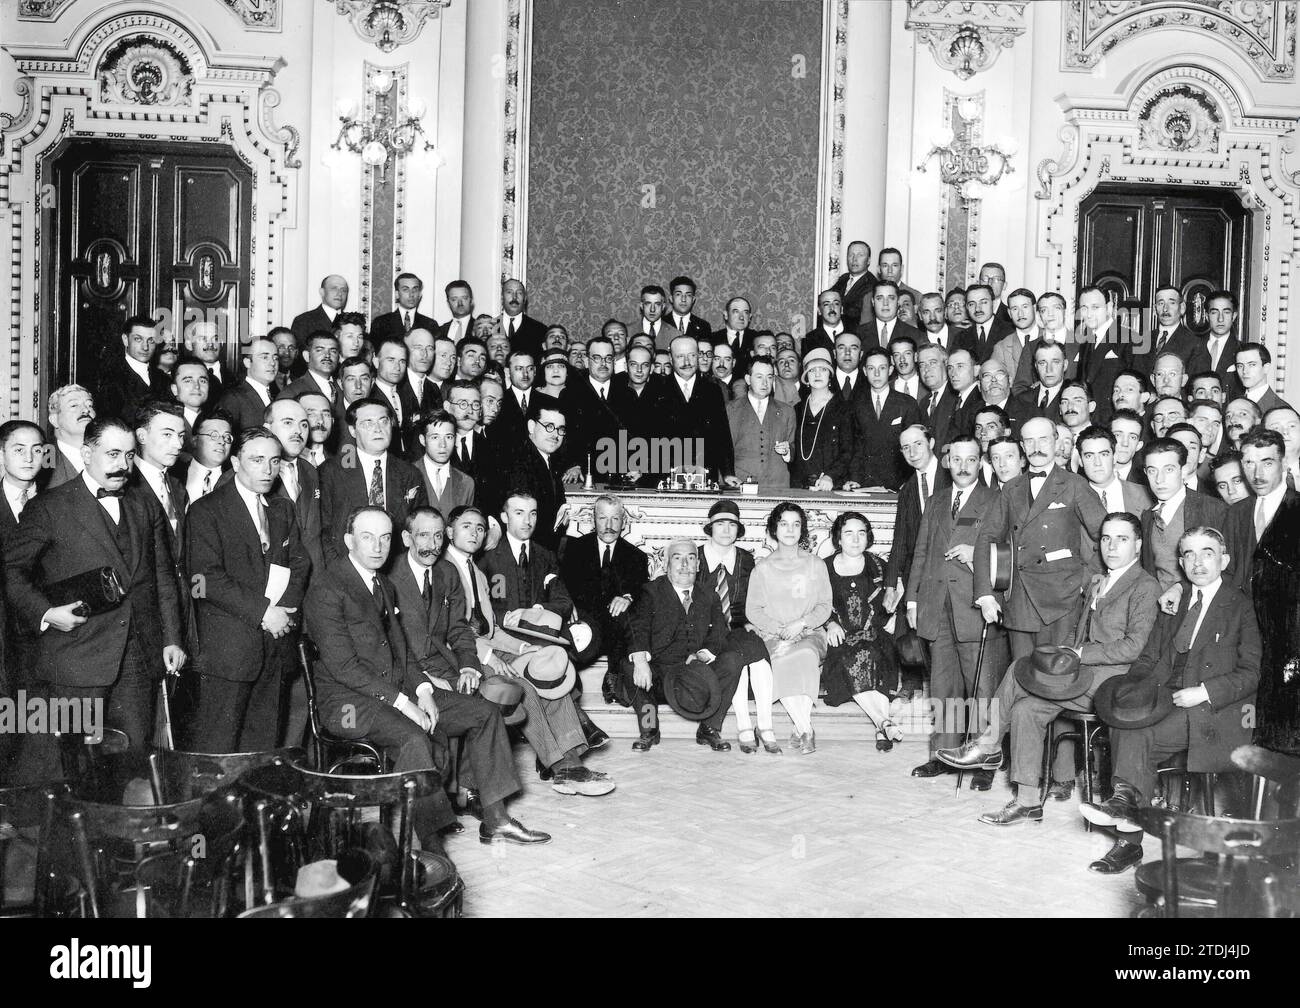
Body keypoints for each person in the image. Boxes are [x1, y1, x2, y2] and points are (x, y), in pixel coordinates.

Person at [306, 505, 549, 846]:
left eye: (384, 538)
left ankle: (496, 818)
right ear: (349, 541)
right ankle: (434, 851)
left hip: (393, 691)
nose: (377, 546)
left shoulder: (382, 586)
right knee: (415, 739)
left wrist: (421, 690)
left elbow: (400, 653)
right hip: (348, 703)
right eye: (367, 537)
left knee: (485, 713)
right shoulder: (328, 589)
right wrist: (406, 703)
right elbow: (345, 668)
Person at [941, 512, 1161, 824]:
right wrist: (1065, 652)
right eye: (1106, 539)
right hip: (1081, 676)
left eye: (1122, 539)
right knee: (1026, 709)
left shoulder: (1145, 586)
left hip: (1113, 684)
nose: (1111, 546)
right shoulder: (1099, 580)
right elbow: (1077, 631)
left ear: (1137, 545)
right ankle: (1028, 801)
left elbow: (1133, 646)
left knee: (1020, 667)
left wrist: (1079, 653)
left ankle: (988, 743)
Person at [1082, 527, 1260, 874]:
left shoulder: (1240, 606)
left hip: (1212, 707)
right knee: (1126, 719)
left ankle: (1126, 830)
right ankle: (1126, 809)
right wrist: (1129, 690)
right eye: (1189, 555)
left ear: (1223, 560)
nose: (1197, 562)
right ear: (1180, 562)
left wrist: (1204, 692)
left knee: (1140, 734)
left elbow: (1252, 672)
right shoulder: (1174, 602)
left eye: (1207, 553)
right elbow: (1148, 658)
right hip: (1167, 695)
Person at [4, 417, 185, 754]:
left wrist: (172, 638)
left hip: (137, 659)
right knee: (74, 765)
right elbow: (11, 572)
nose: (122, 465)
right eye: (113, 454)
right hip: (75, 657)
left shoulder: (144, 505)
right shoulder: (48, 507)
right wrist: (46, 613)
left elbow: (162, 576)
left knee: (132, 762)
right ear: (87, 454)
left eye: (130, 456)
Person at [442, 504, 611, 792]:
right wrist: (491, 657)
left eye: (480, 528)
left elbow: (490, 628)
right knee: (525, 686)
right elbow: (451, 632)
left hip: (486, 645)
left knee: (545, 669)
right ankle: (561, 765)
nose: (474, 533)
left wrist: (522, 648)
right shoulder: (443, 571)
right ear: (449, 531)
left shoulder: (477, 573)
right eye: (466, 526)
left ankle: (571, 758)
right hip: (462, 656)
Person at [185, 427, 309, 752]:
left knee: (262, 750)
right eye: (257, 460)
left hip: (274, 645)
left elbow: (300, 564)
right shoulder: (206, 511)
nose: (268, 470)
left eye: (274, 461)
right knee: (218, 750)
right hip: (228, 652)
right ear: (236, 461)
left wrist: (282, 612)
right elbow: (205, 578)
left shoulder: (281, 510)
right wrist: (264, 613)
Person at [906, 436, 1007, 785]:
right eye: (957, 459)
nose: (963, 466)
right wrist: (913, 599)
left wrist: (977, 550)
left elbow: (1007, 554)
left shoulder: (995, 500)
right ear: (947, 461)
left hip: (974, 606)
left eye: (972, 459)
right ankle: (944, 755)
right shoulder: (935, 501)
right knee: (943, 685)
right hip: (937, 606)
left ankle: (983, 760)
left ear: (981, 463)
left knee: (981, 688)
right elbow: (921, 552)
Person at [480, 489, 611, 754]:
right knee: (551, 662)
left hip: (540, 635)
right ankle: (580, 724)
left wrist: (539, 610)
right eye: (518, 513)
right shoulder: (488, 557)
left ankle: (555, 747)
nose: (527, 521)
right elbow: (479, 610)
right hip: (506, 640)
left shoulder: (545, 555)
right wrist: (506, 616)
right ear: (504, 517)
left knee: (558, 654)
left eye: (532, 514)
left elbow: (563, 601)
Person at [974, 416, 1106, 661]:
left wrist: (1085, 581)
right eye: (1029, 441)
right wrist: (986, 595)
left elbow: (1107, 535)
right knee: (1023, 678)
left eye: (1043, 439)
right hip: (1020, 603)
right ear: (1022, 447)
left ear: (1056, 442)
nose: (1036, 447)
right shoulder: (1011, 489)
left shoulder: (1075, 484)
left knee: (1057, 678)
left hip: (1062, 603)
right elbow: (988, 539)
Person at [1220, 429, 1300, 756]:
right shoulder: (1237, 513)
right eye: (1249, 463)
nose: (1257, 473)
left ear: (1284, 463)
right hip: (1248, 637)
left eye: (1267, 463)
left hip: (1289, 640)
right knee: (1249, 730)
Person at [622, 539, 743, 752]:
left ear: (698, 565)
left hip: (695, 676)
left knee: (732, 661)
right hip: (658, 676)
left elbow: (719, 634)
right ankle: (649, 729)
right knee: (630, 664)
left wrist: (703, 655)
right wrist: (641, 661)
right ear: (667, 565)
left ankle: (709, 728)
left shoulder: (709, 594)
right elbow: (636, 627)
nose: (685, 565)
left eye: (691, 558)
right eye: (677, 558)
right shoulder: (650, 591)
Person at [746, 503, 833, 754]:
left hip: (810, 633)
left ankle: (802, 728)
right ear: (774, 528)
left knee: (805, 655)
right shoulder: (762, 568)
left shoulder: (816, 564)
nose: (790, 529)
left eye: (796, 524)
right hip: (775, 636)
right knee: (783, 660)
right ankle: (805, 729)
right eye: (783, 523)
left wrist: (801, 624)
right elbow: (753, 610)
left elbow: (825, 605)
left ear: (802, 530)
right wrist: (780, 629)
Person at [692, 501, 778, 753]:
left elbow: (754, 600)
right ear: (709, 527)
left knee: (758, 656)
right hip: (704, 633)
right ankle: (743, 725)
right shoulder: (693, 557)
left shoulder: (747, 560)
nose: (726, 530)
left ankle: (765, 724)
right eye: (720, 524)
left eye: (732, 525)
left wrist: (752, 621)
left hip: (737, 628)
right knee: (735, 659)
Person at [823, 512, 901, 750]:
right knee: (853, 655)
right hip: (842, 640)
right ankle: (883, 722)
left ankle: (882, 725)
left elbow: (896, 597)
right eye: (848, 533)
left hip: (876, 637)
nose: (855, 539)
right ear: (838, 538)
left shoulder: (880, 566)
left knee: (872, 654)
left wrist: (896, 616)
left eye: (861, 533)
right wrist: (829, 623)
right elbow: (814, 603)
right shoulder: (823, 568)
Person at [560, 495, 649, 701]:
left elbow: (641, 590)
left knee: (625, 613)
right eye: (603, 519)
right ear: (593, 520)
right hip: (583, 618)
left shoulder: (636, 556)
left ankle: (613, 673)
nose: (609, 526)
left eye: (615, 519)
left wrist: (627, 597)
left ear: (624, 522)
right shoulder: (574, 549)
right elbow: (562, 584)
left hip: (615, 623)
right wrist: (567, 604)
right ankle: (571, 678)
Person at [318, 399, 426, 566]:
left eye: (383, 421)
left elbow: (418, 530)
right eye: (368, 423)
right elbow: (323, 531)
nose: (378, 429)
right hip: (345, 571)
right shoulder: (331, 471)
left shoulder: (409, 474)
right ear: (353, 430)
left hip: (397, 571)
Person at [1137, 437, 1226, 613]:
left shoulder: (1211, 508)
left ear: (1184, 470)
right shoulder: (1148, 516)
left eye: (1168, 469)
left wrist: (1180, 588)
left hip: (1200, 608)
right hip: (1159, 608)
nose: (1159, 479)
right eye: (1152, 471)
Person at [845, 347, 921, 490]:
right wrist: (854, 478)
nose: (877, 374)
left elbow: (916, 446)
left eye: (882, 368)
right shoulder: (855, 404)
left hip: (899, 484)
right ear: (864, 371)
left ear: (891, 370)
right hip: (864, 484)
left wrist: (909, 482)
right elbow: (853, 446)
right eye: (871, 368)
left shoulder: (906, 403)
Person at [662, 334, 733, 483]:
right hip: (667, 476)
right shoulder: (657, 389)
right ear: (670, 358)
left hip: (705, 475)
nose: (687, 362)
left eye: (692, 355)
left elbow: (722, 435)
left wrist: (727, 473)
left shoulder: (712, 390)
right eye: (680, 356)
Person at [725, 355, 794, 488]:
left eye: (769, 377)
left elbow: (793, 448)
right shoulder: (730, 409)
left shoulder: (787, 411)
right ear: (748, 379)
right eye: (759, 377)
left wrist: (787, 451)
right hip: (740, 485)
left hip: (777, 486)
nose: (765, 383)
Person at [789, 348, 852, 490]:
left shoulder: (843, 408)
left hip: (831, 484)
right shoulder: (797, 409)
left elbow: (848, 451)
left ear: (830, 375)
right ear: (806, 377)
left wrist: (830, 476)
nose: (817, 374)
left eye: (823, 370)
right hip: (799, 485)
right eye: (812, 370)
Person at [95, 314, 169, 423]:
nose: (145, 347)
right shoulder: (109, 377)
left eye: (151, 341)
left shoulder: (163, 378)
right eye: (138, 339)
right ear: (125, 340)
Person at [219, 338, 280, 431]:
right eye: (264, 357)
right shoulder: (233, 398)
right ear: (247, 362)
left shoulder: (277, 395)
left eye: (275, 358)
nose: (272, 363)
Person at [45, 384, 96, 490]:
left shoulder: (110, 455)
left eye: (89, 405)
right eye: (74, 405)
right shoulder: (44, 459)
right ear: (55, 420)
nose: (86, 410)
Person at [179, 411, 233, 505]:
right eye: (213, 435)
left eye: (227, 437)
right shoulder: (174, 473)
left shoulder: (235, 478)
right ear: (195, 440)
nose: (222, 441)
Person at [371, 272, 437, 345]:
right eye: (405, 289)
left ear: (419, 294)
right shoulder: (380, 323)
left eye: (415, 290)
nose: (411, 294)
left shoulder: (430, 325)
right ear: (397, 294)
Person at [832, 240, 877, 332]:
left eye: (860, 255)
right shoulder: (843, 278)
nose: (854, 259)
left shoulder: (872, 284)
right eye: (851, 255)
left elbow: (856, 314)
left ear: (868, 261)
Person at [290, 275, 349, 344]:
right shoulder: (303, 321)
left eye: (344, 290)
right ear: (322, 292)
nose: (339, 294)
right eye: (334, 289)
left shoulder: (351, 321)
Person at [499, 278, 547, 360]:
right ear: (502, 297)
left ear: (525, 299)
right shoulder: (492, 325)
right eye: (509, 292)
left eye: (519, 293)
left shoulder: (540, 330)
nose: (514, 297)